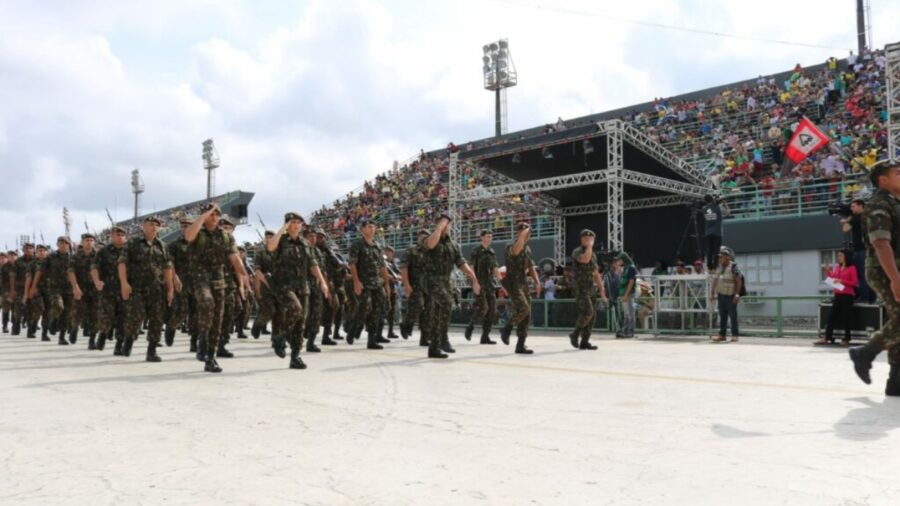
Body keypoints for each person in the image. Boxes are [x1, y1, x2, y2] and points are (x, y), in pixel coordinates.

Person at [849, 162, 900, 396]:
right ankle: (866, 352)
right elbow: (881, 243)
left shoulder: (895, 203)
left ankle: (896, 381)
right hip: (884, 270)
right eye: (898, 174)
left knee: (898, 322)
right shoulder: (879, 203)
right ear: (883, 180)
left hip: (893, 270)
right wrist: (895, 278)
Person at [266, 212, 329, 369]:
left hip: (302, 286)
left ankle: (295, 356)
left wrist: (322, 282)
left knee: (301, 323)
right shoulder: (280, 240)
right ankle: (280, 336)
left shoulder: (305, 243)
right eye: (292, 222)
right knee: (296, 309)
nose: (296, 225)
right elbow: (270, 247)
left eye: (298, 222)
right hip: (284, 285)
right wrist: (283, 228)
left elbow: (313, 264)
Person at [422, 214, 480, 358]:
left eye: (448, 224)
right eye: (443, 223)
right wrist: (439, 228)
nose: (446, 226)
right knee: (447, 303)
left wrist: (473, 277)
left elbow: (460, 262)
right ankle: (443, 339)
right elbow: (431, 244)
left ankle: (433, 348)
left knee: (437, 314)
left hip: (446, 281)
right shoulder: (428, 239)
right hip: (431, 280)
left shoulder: (453, 244)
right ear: (437, 224)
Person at [118, 216, 175, 362]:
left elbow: (167, 268)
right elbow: (122, 263)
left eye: (157, 225)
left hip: (157, 288)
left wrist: (170, 289)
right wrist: (124, 283)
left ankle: (152, 350)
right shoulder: (133, 243)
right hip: (137, 288)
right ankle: (129, 339)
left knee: (157, 319)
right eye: (151, 224)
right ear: (144, 226)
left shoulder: (162, 246)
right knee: (136, 316)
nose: (155, 227)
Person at [347, 219, 391, 350]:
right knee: (364, 307)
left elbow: (382, 266)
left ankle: (371, 340)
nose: (372, 229)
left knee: (378, 309)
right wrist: (356, 281)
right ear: (362, 229)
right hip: (363, 282)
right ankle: (354, 327)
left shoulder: (377, 246)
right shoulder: (357, 245)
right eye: (369, 227)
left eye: (373, 227)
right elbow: (352, 264)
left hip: (377, 282)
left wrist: (387, 284)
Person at [500, 222, 540, 354]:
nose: (526, 235)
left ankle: (520, 345)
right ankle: (507, 328)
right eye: (522, 232)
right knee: (523, 308)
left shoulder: (528, 249)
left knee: (526, 315)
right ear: (518, 233)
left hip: (523, 283)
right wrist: (523, 235)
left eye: (528, 233)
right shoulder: (510, 245)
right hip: (513, 282)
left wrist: (537, 282)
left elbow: (530, 267)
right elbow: (516, 251)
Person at [30, 237, 75, 346]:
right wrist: (33, 286)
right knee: (58, 306)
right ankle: (52, 321)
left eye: (66, 243)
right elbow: (39, 272)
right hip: (55, 288)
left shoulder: (73, 258)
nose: (63, 245)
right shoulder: (50, 257)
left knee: (66, 313)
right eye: (61, 243)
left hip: (69, 289)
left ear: (69, 245)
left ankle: (62, 337)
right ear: (57, 244)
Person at [91, 226, 128, 353]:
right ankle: (103, 334)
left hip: (124, 290)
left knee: (123, 318)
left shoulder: (129, 251)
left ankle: (119, 345)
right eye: (117, 234)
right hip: (108, 290)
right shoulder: (103, 251)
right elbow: (94, 267)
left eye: (122, 235)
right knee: (106, 316)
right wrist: (96, 281)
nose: (120, 237)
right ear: (111, 236)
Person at [570, 229, 608, 350]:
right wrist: (590, 247)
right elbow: (585, 259)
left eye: (591, 239)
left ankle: (584, 342)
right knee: (588, 312)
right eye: (586, 239)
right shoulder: (577, 251)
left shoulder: (593, 255)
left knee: (593, 316)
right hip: (580, 287)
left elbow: (595, 272)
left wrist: (601, 289)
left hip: (590, 287)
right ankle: (575, 333)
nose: (589, 241)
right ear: (582, 240)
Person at [816, 249, 858, 345]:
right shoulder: (838, 267)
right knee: (831, 316)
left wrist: (842, 281)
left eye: (840, 256)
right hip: (838, 294)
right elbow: (833, 277)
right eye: (838, 256)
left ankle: (846, 339)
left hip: (847, 295)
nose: (838, 258)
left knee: (846, 317)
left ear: (846, 257)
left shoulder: (852, 268)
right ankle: (827, 337)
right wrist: (828, 271)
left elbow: (854, 282)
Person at [465, 230, 498, 345]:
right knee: (483, 307)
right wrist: (474, 282)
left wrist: (502, 282)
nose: (490, 239)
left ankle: (485, 337)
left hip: (489, 284)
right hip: (479, 282)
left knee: (492, 310)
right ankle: (470, 327)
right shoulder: (476, 251)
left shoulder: (491, 252)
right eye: (488, 236)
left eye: (491, 237)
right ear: (482, 238)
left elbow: (495, 268)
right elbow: (471, 267)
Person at [164, 218, 193, 349]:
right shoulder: (174, 245)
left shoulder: (200, 243)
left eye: (188, 225)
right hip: (181, 281)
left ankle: (195, 342)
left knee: (199, 311)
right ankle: (172, 326)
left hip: (199, 281)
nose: (185, 227)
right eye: (183, 225)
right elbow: (169, 263)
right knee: (182, 310)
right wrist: (174, 278)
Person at [68, 233, 99, 349]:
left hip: (94, 290)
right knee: (78, 312)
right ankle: (74, 328)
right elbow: (71, 272)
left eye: (91, 240)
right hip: (80, 288)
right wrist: (75, 287)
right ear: (82, 242)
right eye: (87, 240)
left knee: (95, 315)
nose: (89, 242)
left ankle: (92, 340)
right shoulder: (75, 257)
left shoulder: (98, 256)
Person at [400, 229, 430, 346]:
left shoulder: (431, 252)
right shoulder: (411, 250)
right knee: (417, 305)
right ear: (418, 238)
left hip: (428, 286)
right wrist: (406, 284)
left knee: (427, 312)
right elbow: (404, 266)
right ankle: (407, 324)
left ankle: (424, 338)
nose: (424, 240)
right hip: (415, 285)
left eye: (426, 238)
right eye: (422, 238)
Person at [843, 199, 875, 303]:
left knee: (861, 275)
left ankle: (864, 297)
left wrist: (847, 220)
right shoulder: (867, 215)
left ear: (861, 206)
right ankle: (871, 297)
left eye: (853, 206)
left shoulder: (856, 217)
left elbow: (845, 229)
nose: (851, 209)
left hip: (860, 250)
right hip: (867, 248)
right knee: (867, 274)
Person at [710, 246, 743, 342]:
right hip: (721, 295)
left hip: (731, 295)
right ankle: (722, 335)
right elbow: (715, 280)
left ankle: (735, 335)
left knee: (733, 316)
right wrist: (712, 293)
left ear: (727, 257)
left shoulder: (733, 266)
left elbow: (739, 281)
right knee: (722, 316)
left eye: (721, 256)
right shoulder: (719, 267)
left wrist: (737, 294)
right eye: (719, 257)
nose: (720, 258)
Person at [699, 195, 730, 270]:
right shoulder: (718, 207)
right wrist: (725, 205)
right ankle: (715, 265)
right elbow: (727, 213)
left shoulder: (703, 208)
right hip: (717, 232)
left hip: (708, 232)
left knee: (710, 249)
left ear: (705, 201)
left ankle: (709, 265)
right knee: (716, 249)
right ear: (712, 200)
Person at [615, 252, 637, 339]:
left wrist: (626, 295)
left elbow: (631, 282)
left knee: (630, 313)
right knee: (626, 314)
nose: (618, 261)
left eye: (619, 260)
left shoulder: (631, 268)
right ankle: (625, 330)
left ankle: (630, 331)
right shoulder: (625, 268)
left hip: (629, 294)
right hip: (624, 294)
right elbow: (621, 281)